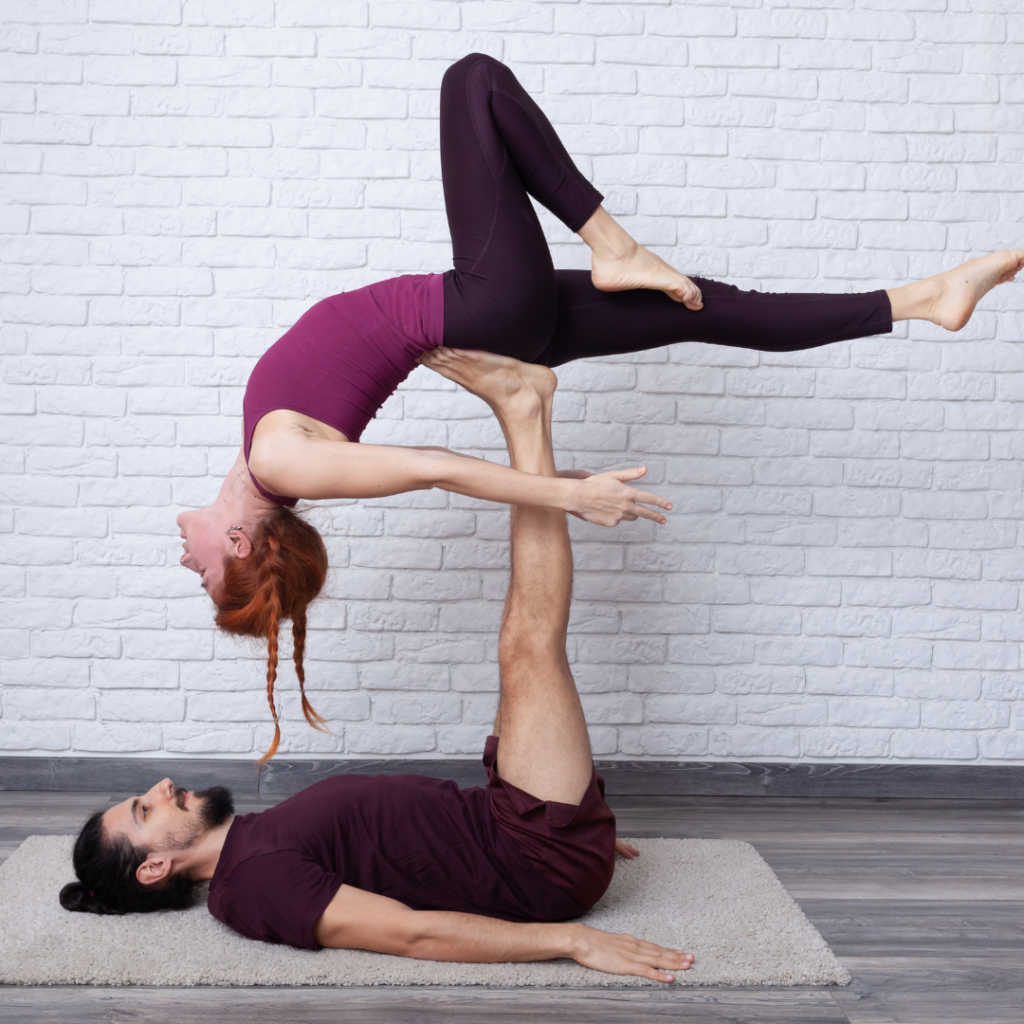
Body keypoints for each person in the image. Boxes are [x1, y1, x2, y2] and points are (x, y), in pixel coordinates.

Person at [176, 53, 1024, 750]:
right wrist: (568, 493)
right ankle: (613, 241)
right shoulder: (277, 463)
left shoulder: (276, 468)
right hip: (485, 306)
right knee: (471, 81)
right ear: (243, 539)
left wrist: (556, 475)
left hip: (497, 321)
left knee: (704, 307)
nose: (189, 561)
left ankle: (923, 300)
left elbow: (405, 460)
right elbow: (436, 468)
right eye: (209, 571)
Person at [61, 353, 694, 984]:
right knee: (527, 645)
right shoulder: (251, 888)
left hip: (509, 821)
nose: (162, 788)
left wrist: (568, 812)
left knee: (520, 647)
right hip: (529, 859)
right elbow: (412, 934)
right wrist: (574, 941)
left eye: (142, 797)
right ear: (153, 869)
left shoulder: (252, 840)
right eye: (145, 812)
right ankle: (525, 411)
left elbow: (400, 844)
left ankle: (530, 427)